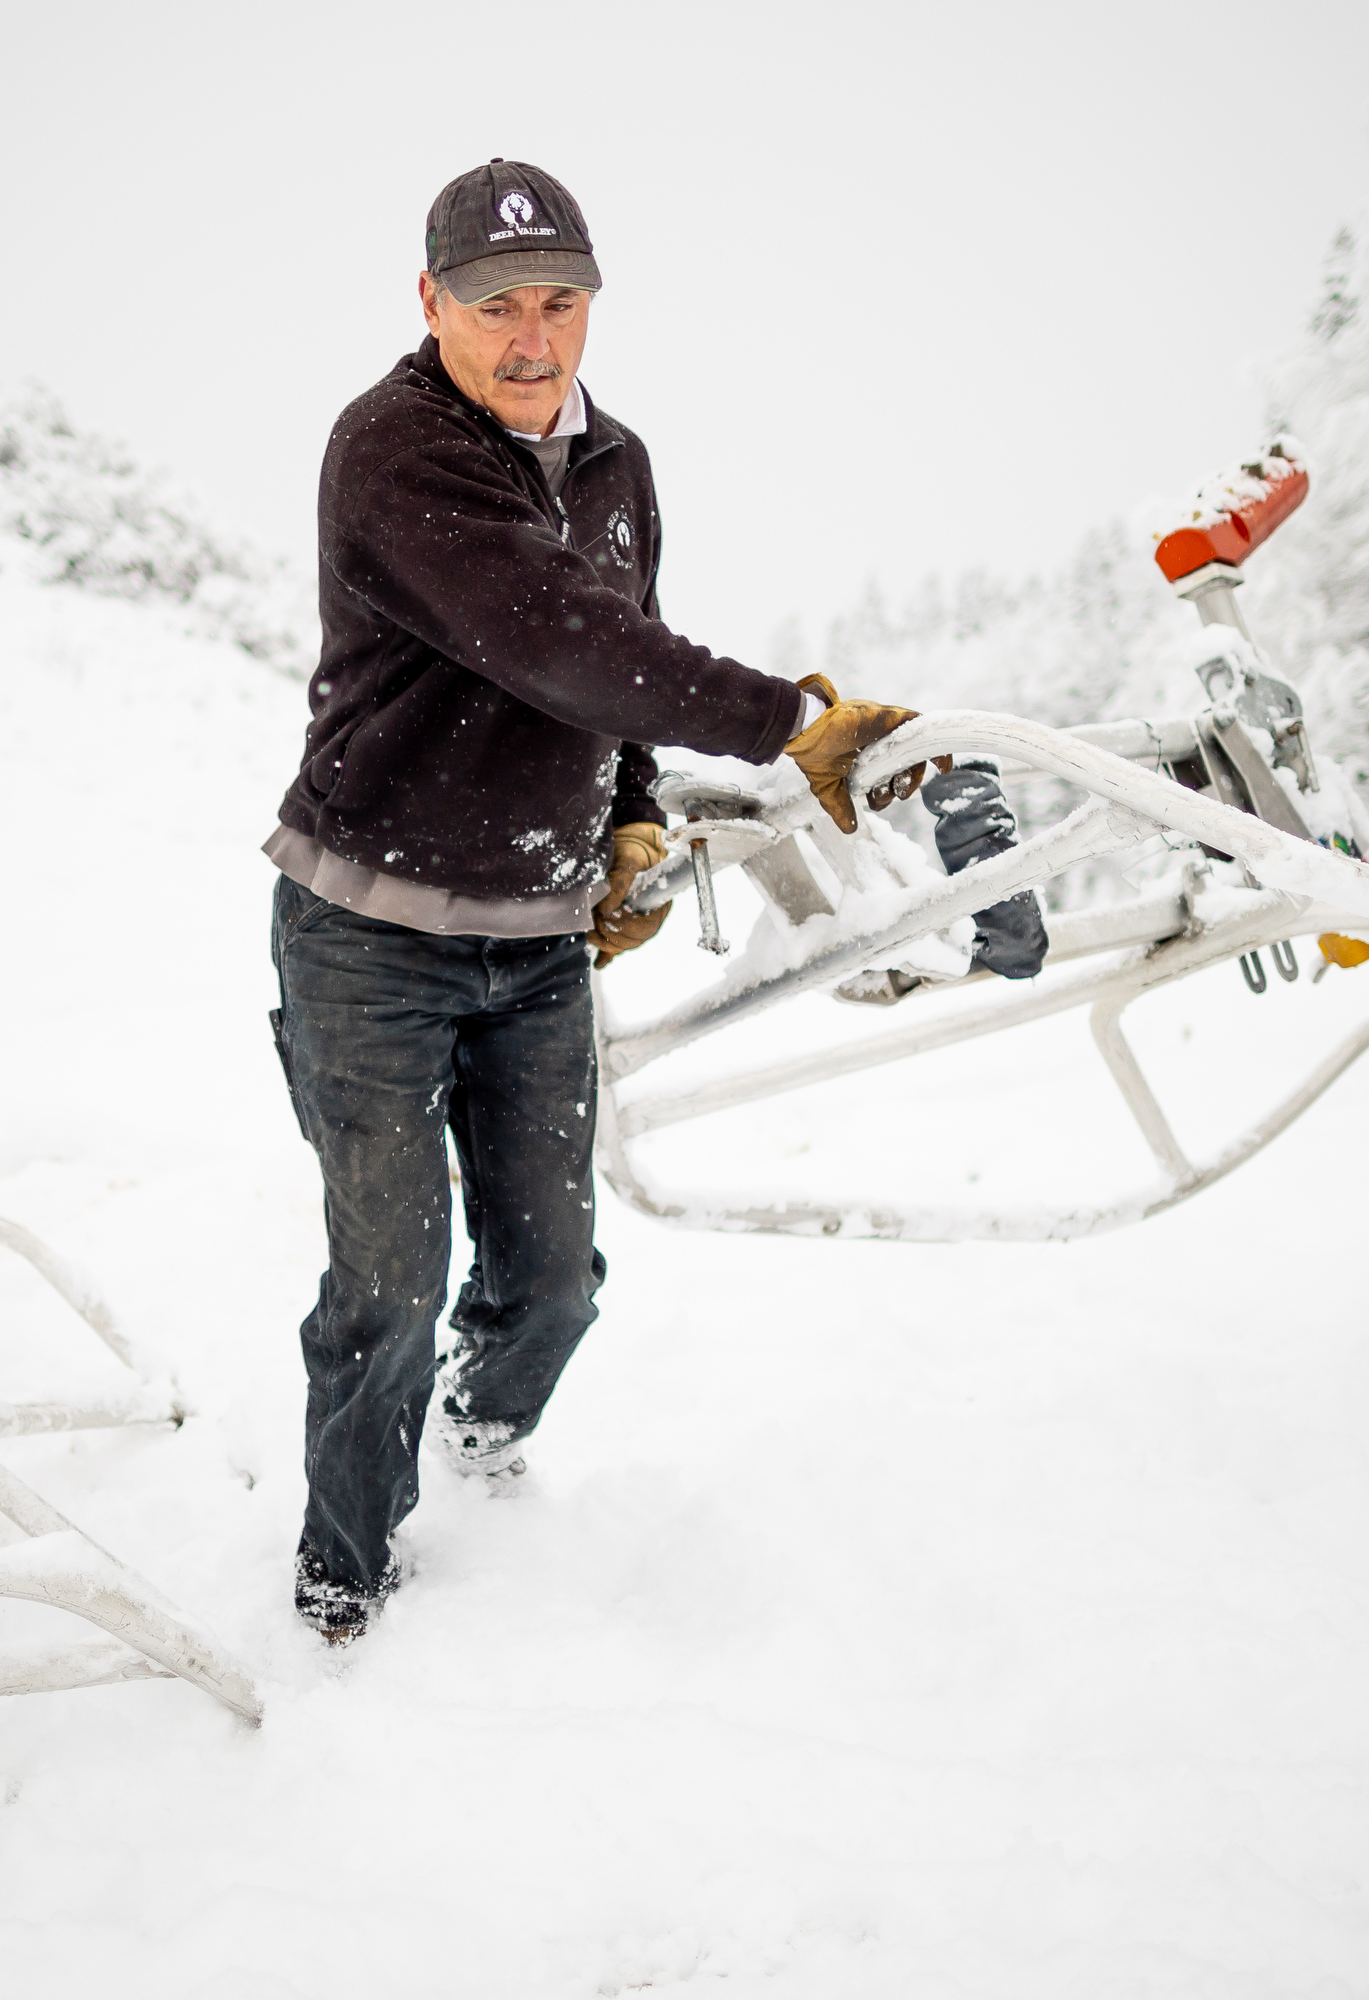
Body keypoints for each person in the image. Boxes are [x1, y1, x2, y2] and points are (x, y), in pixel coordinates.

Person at [265, 160, 924, 1642]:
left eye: (560, 301)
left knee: (553, 1282)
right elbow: (554, 640)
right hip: (369, 934)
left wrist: (626, 824)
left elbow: (616, 662)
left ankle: (477, 1463)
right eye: (495, 304)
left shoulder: (616, 463)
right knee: (386, 1287)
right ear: (430, 303)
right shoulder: (390, 452)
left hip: (536, 949)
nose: (530, 336)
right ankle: (340, 1593)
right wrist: (786, 718)